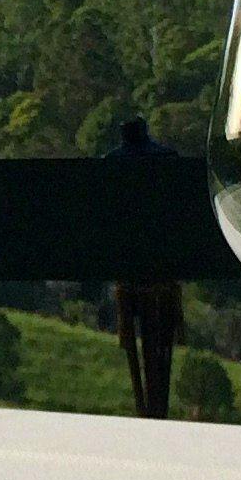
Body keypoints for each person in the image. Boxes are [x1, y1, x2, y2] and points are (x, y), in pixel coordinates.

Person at [104, 118, 186, 418]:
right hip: (165, 267)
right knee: (158, 361)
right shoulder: (167, 160)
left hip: (128, 270)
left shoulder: (112, 164)